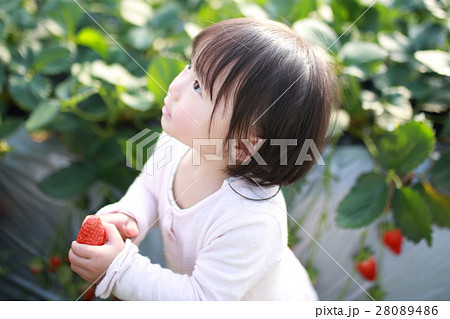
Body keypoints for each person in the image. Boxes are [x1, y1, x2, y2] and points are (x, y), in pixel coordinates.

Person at [68, 17, 338, 300]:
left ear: (243, 146)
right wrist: (130, 214)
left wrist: (120, 269)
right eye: (189, 66)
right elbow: (150, 187)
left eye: (198, 86)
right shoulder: (174, 145)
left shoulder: (251, 219)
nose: (175, 86)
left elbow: (201, 300)